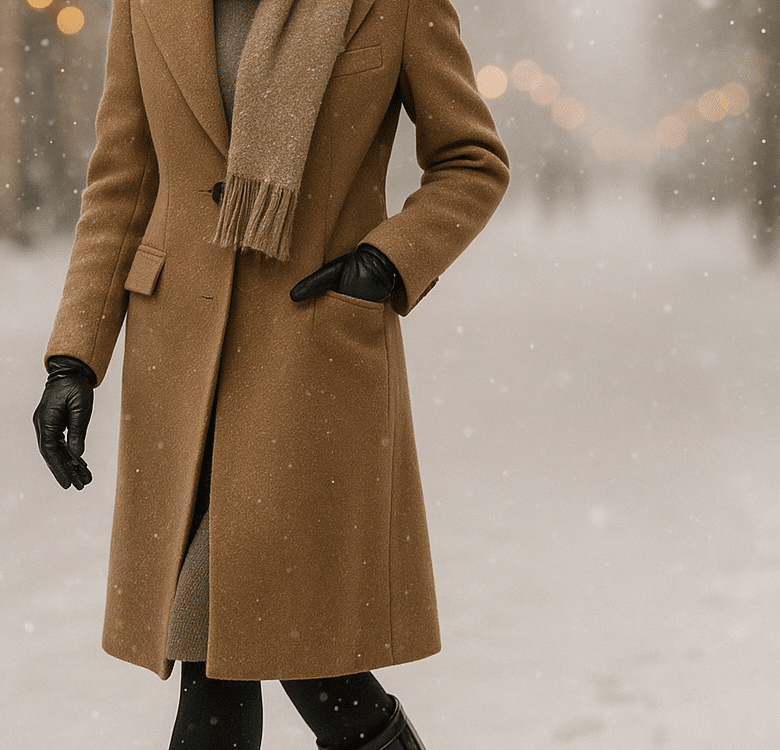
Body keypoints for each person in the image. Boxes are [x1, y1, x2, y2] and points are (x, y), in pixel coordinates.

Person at [33, 0, 509, 745]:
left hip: (310, 362)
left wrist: (385, 263)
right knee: (276, 654)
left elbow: (472, 161)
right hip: (183, 371)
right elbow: (124, 177)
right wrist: (75, 356)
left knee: (239, 641)